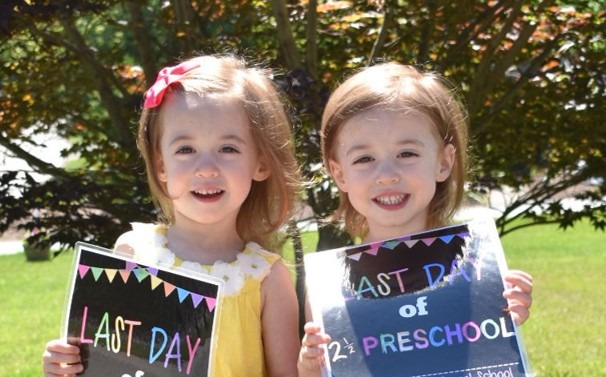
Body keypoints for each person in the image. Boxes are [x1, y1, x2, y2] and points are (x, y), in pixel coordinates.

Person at [42, 54, 303, 377]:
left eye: (228, 149)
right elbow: (107, 362)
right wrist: (65, 364)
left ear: (261, 163)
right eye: (185, 150)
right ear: (161, 165)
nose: (206, 168)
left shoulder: (265, 278)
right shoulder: (133, 252)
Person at [297, 62, 534, 376]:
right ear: (340, 174)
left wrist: (510, 309)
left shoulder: (476, 271)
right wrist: (310, 363)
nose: (386, 175)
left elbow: (492, 357)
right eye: (364, 158)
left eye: (406, 154)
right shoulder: (329, 286)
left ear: (443, 162)